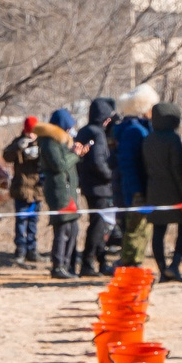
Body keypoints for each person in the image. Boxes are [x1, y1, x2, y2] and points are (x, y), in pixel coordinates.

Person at [141, 102, 182, 282]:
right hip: (175, 191)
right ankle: (174, 265)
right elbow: (177, 168)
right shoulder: (173, 139)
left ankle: (163, 270)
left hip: (154, 190)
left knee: (158, 230)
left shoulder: (148, 138)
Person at [110, 86, 156, 268]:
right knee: (136, 230)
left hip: (133, 188)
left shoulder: (132, 129)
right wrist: (137, 191)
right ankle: (129, 267)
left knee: (139, 229)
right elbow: (128, 165)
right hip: (134, 189)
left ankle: (131, 264)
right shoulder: (134, 131)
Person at [74, 98, 118, 276]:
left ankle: (101, 261)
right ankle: (88, 263)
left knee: (99, 224)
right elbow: (98, 161)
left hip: (87, 184)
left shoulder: (84, 131)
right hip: (100, 186)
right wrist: (111, 177)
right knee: (98, 225)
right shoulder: (98, 134)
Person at [37, 112, 82, 277]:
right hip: (58, 190)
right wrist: (75, 155)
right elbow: (59, 165)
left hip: (68, 189)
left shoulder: (61, 142)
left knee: (73, 228)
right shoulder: (49, 142)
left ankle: (67, 264)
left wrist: (75, 152)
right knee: (63, 228)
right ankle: (58, 266)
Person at [1, 119, 43, 264]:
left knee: (33, 222)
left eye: (34, 132)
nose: (32, 135)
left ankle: (32, 250)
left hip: (37, 189)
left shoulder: (42, 142)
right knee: (21, 221)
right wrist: (18, 148)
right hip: (21, 188)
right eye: (29, 132)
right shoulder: (18, 142)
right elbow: (6, 156)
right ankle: (20, 250)